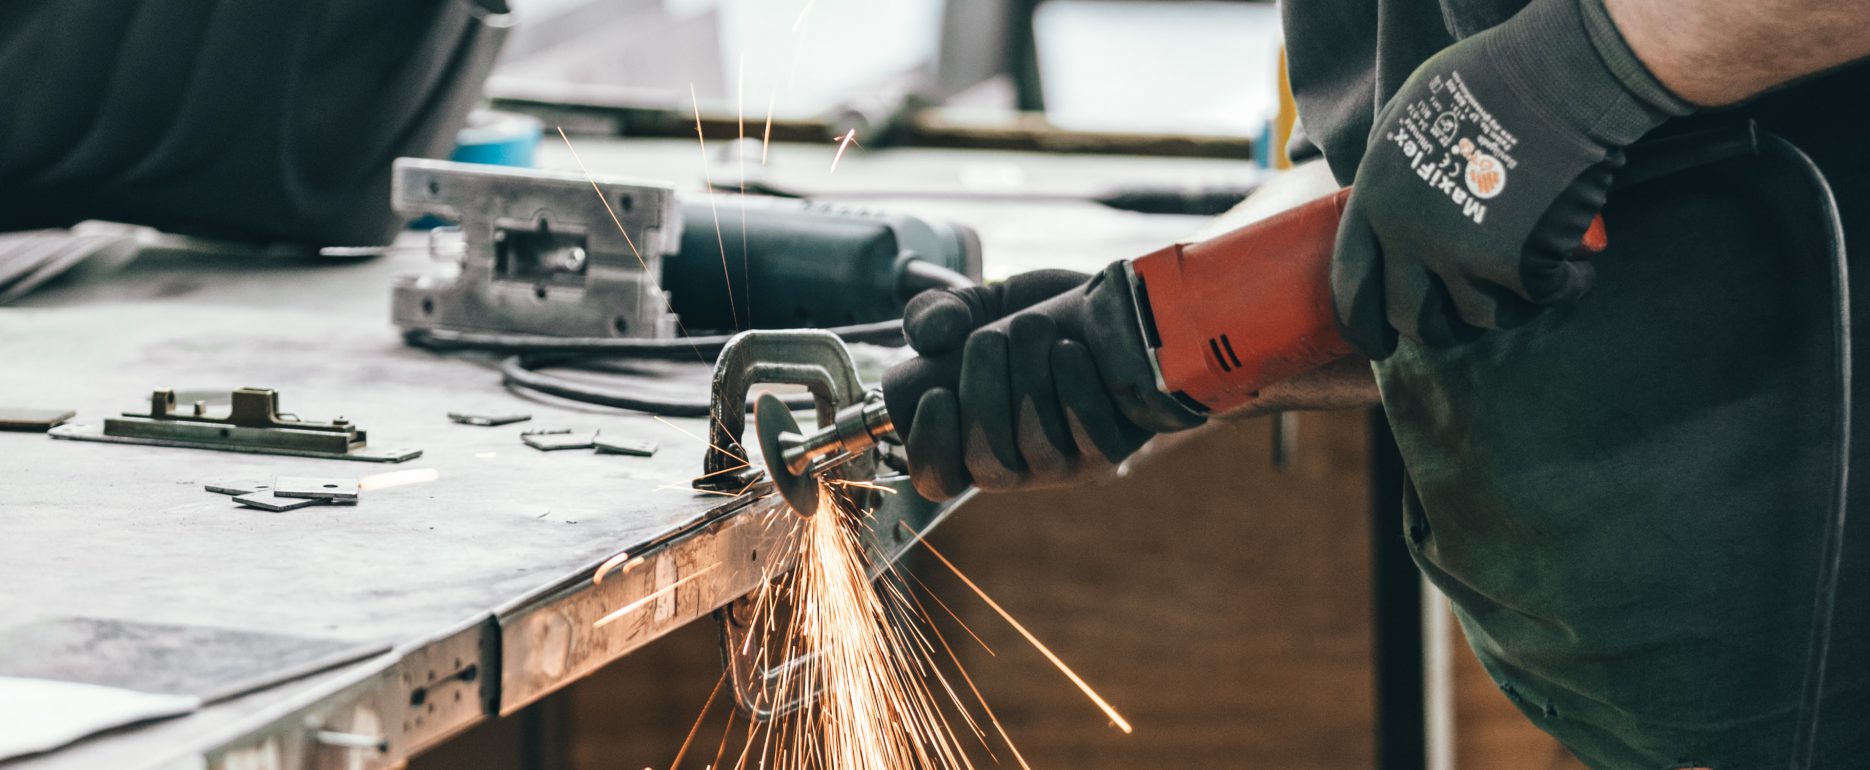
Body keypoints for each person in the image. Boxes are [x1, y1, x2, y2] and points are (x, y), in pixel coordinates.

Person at [887, 0, 1870, 766]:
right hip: (1667, 688)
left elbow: (1515, 128)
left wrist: (1577, 73)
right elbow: (1441, 209)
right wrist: (1146, 345)